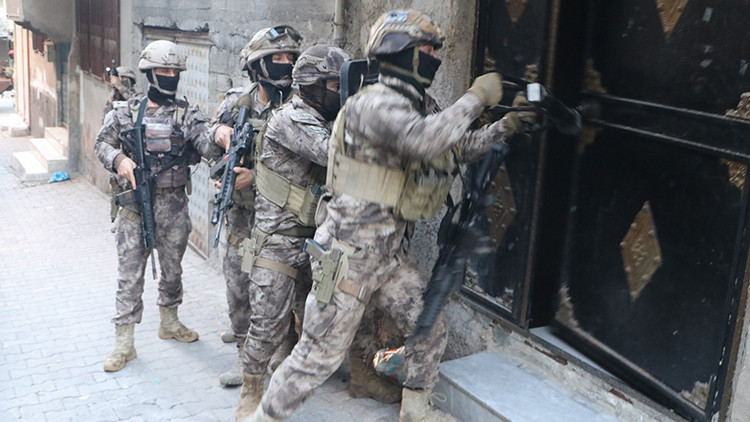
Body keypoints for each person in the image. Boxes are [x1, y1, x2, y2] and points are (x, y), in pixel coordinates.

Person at [243, 9, 536, 422]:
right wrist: (475, 97)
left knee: (427, 326)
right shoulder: (373, 102)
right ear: (400, 51)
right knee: (316, 358)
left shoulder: (420, 104)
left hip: (389, 253)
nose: (436, 57)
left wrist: (507, 125)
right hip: (349, 254)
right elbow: (424, 140)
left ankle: (416, 409)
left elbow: (457, 148)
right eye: (428, 49)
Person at [233, 44, 365, 419]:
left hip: (317, 239)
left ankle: (337, 376)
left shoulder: (326, 117)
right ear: (312, 86)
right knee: (267, 322)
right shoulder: (291, 119)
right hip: (278, 241)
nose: (341, 93)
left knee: (321, 316)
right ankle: (251, 389)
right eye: (335, 86)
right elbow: (334, 153)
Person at [95, 40, 223, 372]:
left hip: (174, 205)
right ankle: (124, 343)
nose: (169, 75)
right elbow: (102, 143)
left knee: (173, 270)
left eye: (174, 71)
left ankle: (170, 321)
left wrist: (220, 134)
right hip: (135, 206)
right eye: (163, 70)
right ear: (149, 73)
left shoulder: (188, 113)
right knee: (129, 275)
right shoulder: (125, 111)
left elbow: (206, 146)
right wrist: (120, 160)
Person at [209, 25, 303, 388]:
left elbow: (306, 167)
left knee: (283, 290)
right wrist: (217, 134)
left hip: (283, 218)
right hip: (241, 217)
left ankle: (285, 348)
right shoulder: (237, 102)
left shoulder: (301, 107)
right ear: (257, 64)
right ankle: (244, 352)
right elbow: (206, 142)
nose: (285, 64)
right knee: (238, 285)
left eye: (290, 58)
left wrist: (256, 177)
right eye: (276, 58)